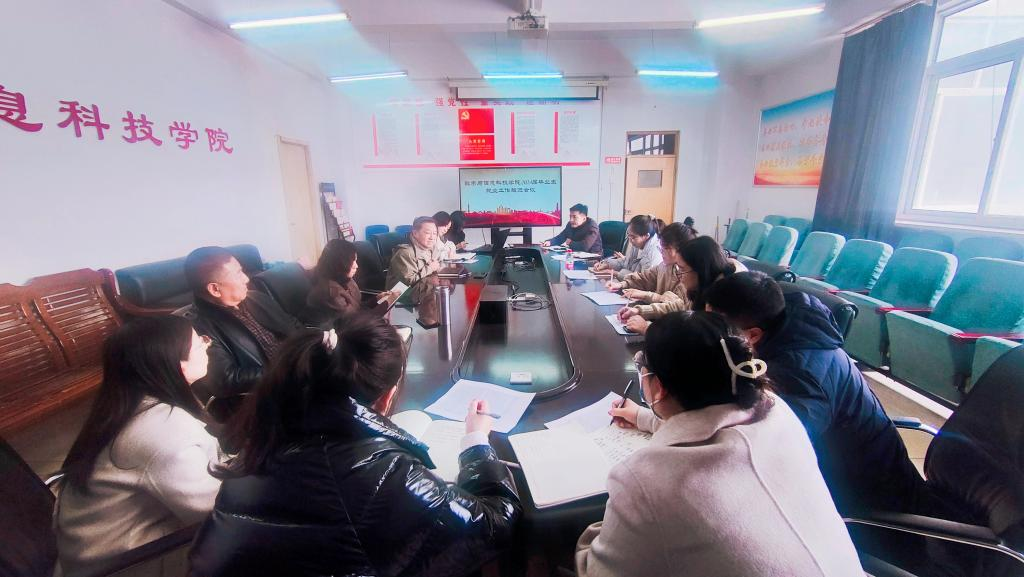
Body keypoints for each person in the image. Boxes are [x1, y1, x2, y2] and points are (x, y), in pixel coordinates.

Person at [188, 314, 522, 577]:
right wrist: (477, 441)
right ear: (387, 397)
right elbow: (494, 524)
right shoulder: (382, 471)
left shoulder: (262, 443)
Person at [577, 311, 862, 577]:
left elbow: (597, 570)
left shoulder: (645, 482)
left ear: (658, 386)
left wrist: (601, 530)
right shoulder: (776, 410)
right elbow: (712, 425)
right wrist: (642, 417)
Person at [704, 272, 928, 516]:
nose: (707, 334)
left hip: (863, 501)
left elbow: (774, 451)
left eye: (714, 327)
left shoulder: (801, 376)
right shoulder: (785, 329)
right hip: (836, 475)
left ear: (753, 335)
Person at [55, 317, 222, 577]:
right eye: (199, 342)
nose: (206, 345)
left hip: (100, 548)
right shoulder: (163, 431)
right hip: (130, 563)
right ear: (176, 364)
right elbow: (216, 513)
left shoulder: (126, 405)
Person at [184, 246, 303, 411]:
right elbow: (226, 380)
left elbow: (293, 324)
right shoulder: (197, 328)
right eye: (238, 274)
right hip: (270, 395)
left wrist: (316, 340)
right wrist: (285, 369)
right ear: (215, 289)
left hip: (301, 371)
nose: (246, 279)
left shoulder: (256, 298)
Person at [618, 235, 743, 334]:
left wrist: (648, 329)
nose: (679, 276)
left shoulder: (723, 301)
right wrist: (639, 310)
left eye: (682, 270)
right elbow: (680, 306)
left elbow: (697, 341)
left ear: (700, 270)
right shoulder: (705, 284)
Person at [301, 239, 392, 328]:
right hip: (344, 332)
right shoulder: (329, 292)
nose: (356, 266)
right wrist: (387, 303)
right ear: (340, 263)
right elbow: (356, 321)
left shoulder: (344, 278)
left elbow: (357, 308)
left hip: (355, 325)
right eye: (353, 261)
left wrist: (376, 299)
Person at [591, 215, 664, 281]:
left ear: (646, 236)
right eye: (628, 235)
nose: (630, 240)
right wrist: (607, 264)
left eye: (633, 237)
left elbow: (643, 280)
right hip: (629, 284)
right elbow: (626, 262)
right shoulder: (637, 244)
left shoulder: (654, 253)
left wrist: (615, 273)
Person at [386, 216, 443, 289]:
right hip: (404, 294)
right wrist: (430, 268)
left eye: (435, 233)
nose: (432, 237)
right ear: (415, 233)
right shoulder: (405, 253)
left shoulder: (428, 249)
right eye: (427, 233)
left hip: (424, 290)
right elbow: (409, 283)